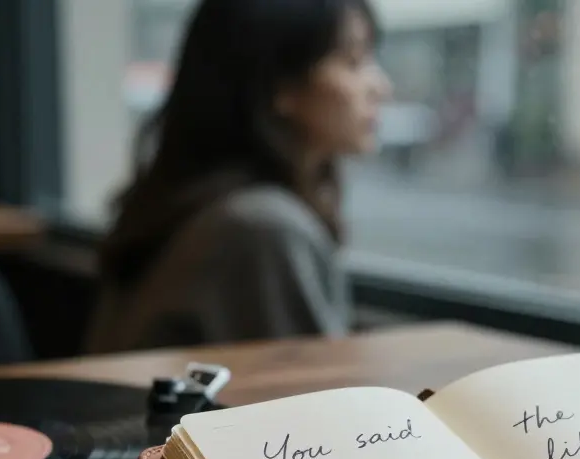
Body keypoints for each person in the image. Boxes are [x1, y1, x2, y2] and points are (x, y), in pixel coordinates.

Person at [84, 0, 391, 354]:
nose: (381, 87)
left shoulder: (203, 206)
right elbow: (314, 400)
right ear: (280, 83)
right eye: (353, 62)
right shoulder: (261, 227)